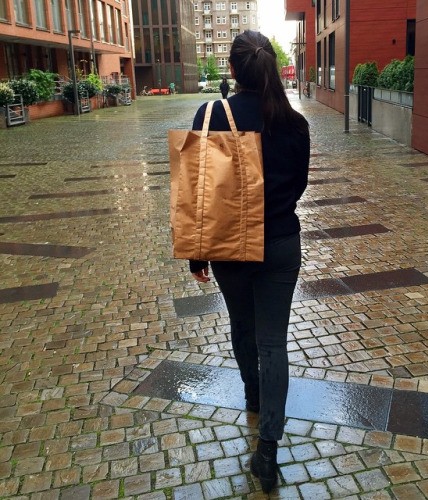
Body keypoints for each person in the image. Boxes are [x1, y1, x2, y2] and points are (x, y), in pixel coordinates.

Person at [190, 30, 310, 494]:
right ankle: (268, 450)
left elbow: (199, 190)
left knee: (241, 325)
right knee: (273, 343)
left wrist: (197, 252)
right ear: (270, 67)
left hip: (230, 246)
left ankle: (254, 396)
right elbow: (298, 186)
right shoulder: (294, 123)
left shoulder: (211, 115)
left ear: (233, 70)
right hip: (280, 243)